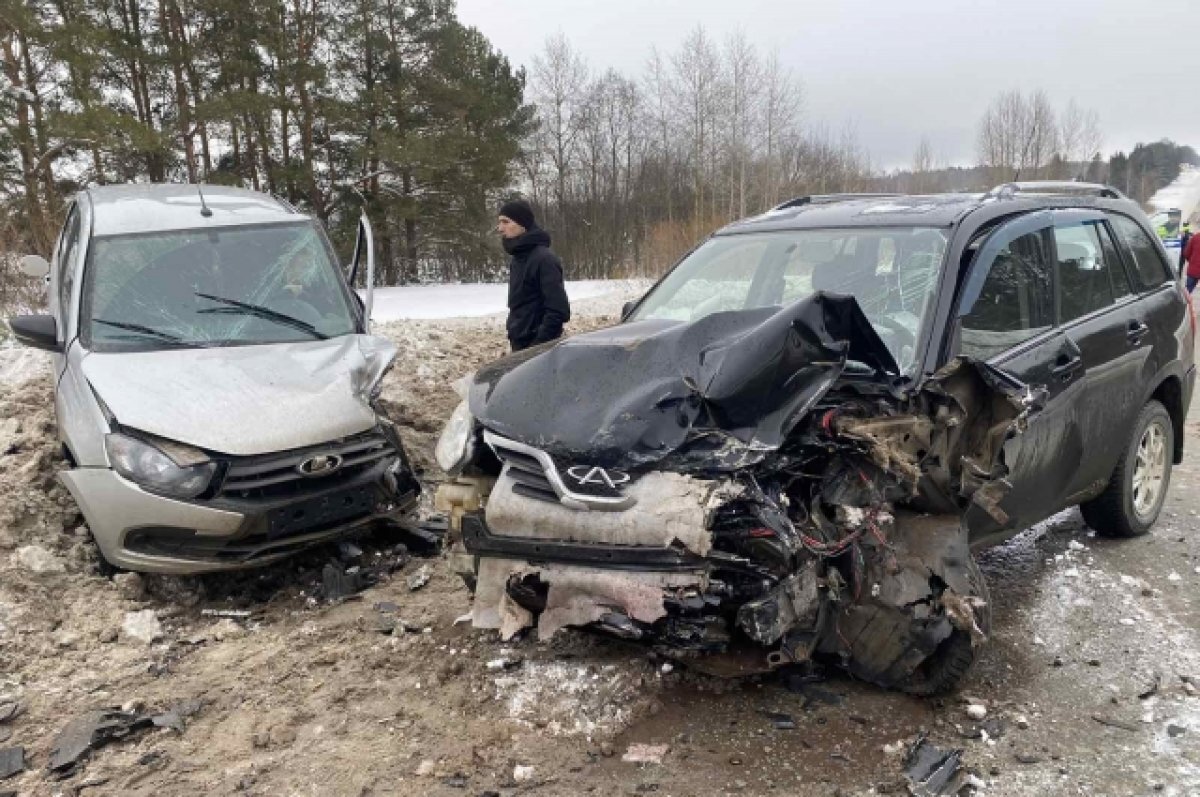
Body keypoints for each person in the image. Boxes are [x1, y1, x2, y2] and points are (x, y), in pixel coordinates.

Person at [497, 198, 570, 352]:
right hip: (519, 346)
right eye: (500, 222)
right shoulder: (518, 259)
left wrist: (537, 347)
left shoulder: (544, 259)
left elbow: (558, 311)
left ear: (522, 224)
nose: (500, 228)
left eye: (506, 222)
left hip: (539, 350)